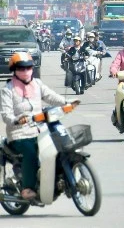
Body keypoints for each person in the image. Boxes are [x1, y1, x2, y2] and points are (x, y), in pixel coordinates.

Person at [0, 53, 72, 201]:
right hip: (19, 133)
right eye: (21, 68)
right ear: (14, 70)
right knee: (31, 153)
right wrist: (17, 120)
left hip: (40, 129)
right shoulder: (8, 89)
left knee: (59, 147)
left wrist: (67, 102)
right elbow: (6, 114)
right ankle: (27, 188)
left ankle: (58, 180)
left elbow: (51, 96)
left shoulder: (37, 84)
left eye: (28, 68)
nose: (25, 71)